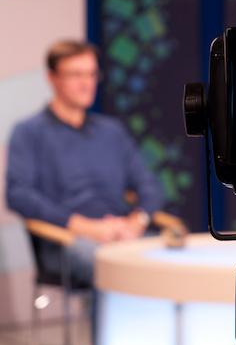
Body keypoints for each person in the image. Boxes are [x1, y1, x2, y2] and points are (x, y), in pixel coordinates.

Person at [6, 40, 164, 287]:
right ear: (53, 78)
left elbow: (148, 184)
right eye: (76, 74)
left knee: (175, 260)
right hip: (65, 240)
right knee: (118, 268)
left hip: (123, 234)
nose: (87, 83)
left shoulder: (112, 132)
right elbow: (17, 193)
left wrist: (137, 222)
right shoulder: (29, 133)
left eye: (91, 74)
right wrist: (84, 227)